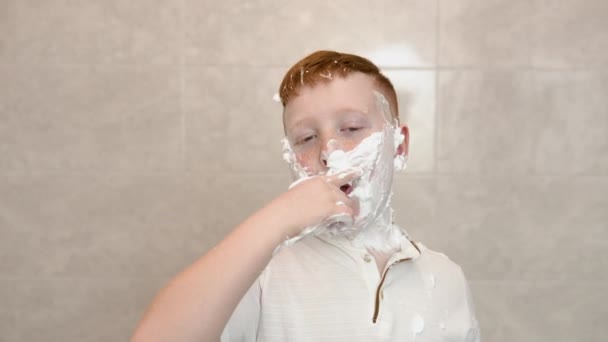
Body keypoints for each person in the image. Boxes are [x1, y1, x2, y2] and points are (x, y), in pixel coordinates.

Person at [131, 50, 480, 342]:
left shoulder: (445, 277)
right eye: (306, 138)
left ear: (399, 145)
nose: (329, 151)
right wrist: (278, 219)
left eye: (352, 128)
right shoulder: (261, 271)